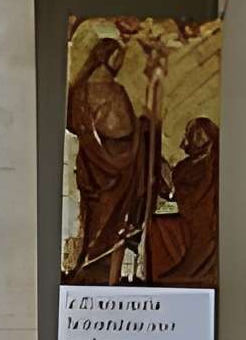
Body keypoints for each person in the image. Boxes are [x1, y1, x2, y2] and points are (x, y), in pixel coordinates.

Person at [65, 34, 159, 283]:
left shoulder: (99, 89)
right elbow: (105, 128)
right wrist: (142, 129)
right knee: (104, 227)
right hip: (108, 169)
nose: (120, 62)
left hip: (109, 167)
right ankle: (94, 276)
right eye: (118, 56)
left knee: (108, 225)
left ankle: (103, 276)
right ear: (105, 57)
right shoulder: (97, 91)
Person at [143, 115, 219, 288]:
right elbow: (178, 193)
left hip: (204, 215)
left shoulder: (215, 163)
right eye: (192, 134)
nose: (195, 139)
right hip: (187, 209)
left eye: (199, 135)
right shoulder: (184, 167)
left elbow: (201, 193)